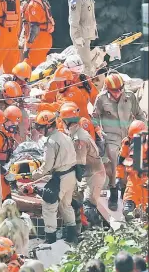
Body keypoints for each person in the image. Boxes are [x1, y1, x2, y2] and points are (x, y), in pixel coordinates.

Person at [92, 72, 147, 211]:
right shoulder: (101, 99)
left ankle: (129, 194)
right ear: (108, 89)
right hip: (112, 137)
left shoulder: (129, 96)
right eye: (115, 90)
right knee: (116, 164)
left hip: (130, 134)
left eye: (120, 89)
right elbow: (94, 116)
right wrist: (98, 130)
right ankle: (114, 193)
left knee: (134, 164)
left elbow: (139, 113)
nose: (118, 92)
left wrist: (143, 128)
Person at [26, 110, 78, 244]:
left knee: (49, 206)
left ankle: (50, 239)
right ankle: (72, 236)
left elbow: (47, 166)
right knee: (66, 205)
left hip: (60, 177)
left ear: (48, 126)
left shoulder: (51, 142)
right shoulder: (64, 136)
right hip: (71, 174)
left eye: (40, 128)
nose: (38, 131)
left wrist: (33, 176)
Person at [59, 102, 106, 226]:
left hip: (94, 174)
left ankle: (99, 233)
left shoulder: (79, 138)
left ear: (67, 121)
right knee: (72, 203)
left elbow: (79, 166)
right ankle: (75, 233)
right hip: (87, 173)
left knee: (88, 207)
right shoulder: (75, 134)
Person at [18, 0, 55, 69]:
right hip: (44, 38)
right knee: (38, 66)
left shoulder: (33, 5)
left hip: (38, 40)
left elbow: (34, 28)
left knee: (34, 68)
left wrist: (28, 45)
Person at [68, 0, 98, 76]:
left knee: (91, 64)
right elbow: (73, 20)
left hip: (87, 35)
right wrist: (77, 37)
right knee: (85, 66)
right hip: (81, 37)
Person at [116, 120, 148, 219]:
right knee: (128, 209)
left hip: (145, 179)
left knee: (145, 212)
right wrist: (119, 177)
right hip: (132, 179)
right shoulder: (126, 143)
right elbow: (120, 161)